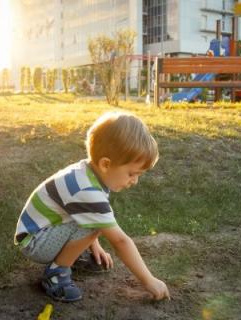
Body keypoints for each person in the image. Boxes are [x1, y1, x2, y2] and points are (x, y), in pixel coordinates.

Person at [14, 111, 170, 302]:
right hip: (35, 243)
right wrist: (148, 280)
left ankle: (69, 257)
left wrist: (91, 244)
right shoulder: (86, 189)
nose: (135, 181)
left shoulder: (87, 173)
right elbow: (120, 241)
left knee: (97, 221)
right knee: (99, 223)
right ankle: (56, 275)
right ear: (106, 164)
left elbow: (79, 214)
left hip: (42, 233)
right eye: (132, 173)